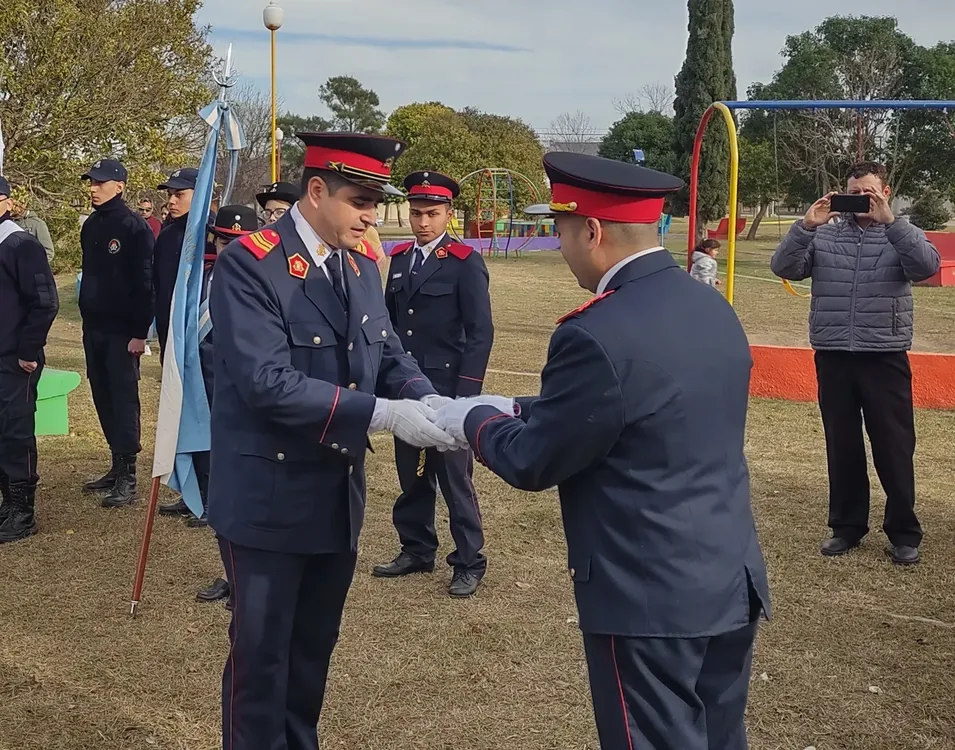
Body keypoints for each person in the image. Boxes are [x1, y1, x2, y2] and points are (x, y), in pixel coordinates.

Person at [434, 152, 771, 750]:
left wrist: (474, 418)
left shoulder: (594, 331)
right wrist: (521, 405)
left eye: (561, 231)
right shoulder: (709, 305)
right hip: (726, 575)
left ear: (591, 231)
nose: (561, 247)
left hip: (647, 593)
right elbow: (639, 407)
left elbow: (534, 459)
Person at [207, 132, 458, 750]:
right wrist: (383, 414)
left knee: (312, 655)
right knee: (261, 662)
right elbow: (266, 382)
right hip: (268, 499)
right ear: (316, 190)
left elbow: (387, 352)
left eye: (376, 203)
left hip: (334, 496)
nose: (372, 216)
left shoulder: (358, 265)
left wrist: (429, 399)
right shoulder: (252, 263)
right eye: (360, 201)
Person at [770, 161, 941, 565]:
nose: (861, 199)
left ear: (885, 192)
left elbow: (927, 268)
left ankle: (903, 532)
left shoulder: (903, 232)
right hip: (834, 354)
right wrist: (805, 227)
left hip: (884, 354)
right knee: (842, 444)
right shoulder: (824, 234)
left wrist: (892, 223)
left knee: (894, 446)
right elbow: (784, 267)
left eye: (869, 191)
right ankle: (846, 527)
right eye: (853, 192)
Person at [373, 170, 494, 597]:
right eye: (416, 213)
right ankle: (417, 548)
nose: (422, 222)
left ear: (448, 214)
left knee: (454, 479)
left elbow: (480, 332)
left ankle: (469, 560)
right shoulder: (401, 258)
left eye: (432, 214)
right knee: (412, 474)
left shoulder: (463, 262)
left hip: (447, 389)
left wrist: (465, 396)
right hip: (408, 388)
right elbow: (389, 327)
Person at [78, 159, 155, 507]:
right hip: (94, 327)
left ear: (119, 186)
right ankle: (115, 463)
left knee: (123, 399)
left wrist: (139, 332)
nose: (93, 188)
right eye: (91, 182)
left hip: (123, 331)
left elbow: (145, 283)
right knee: (102, 395)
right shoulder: (92, 225)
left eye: (99, 182)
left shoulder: (134, 226)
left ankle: (128, 474)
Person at [193, 203, 259, 606]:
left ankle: (248, 580)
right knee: (223, 492)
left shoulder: (267, 283)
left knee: (249, 493)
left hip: (249, 401)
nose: (229, 250)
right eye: (222, 241)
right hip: (206, 387)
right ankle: (231, 572)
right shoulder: (202, 277)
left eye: (238, 243)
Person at [0, 176, 59, 543]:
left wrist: (27, 349)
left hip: (14, 359)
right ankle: (8, 503)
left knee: (15, 430)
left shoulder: (20, 243)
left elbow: (45, 301)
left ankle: (23, 511)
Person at [153, 168, 197, 363]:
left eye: (179, 195)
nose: (171, 201)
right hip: (168, 328)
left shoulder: (212, 235)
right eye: (170, 194)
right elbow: (158, 283)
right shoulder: (167, 235)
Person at [12, 197, 55, 263]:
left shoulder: (37, 224)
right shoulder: (8, 223)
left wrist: (32, 265)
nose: (12, 207)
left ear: (24, 204)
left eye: (15, 205)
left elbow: (48, 252)